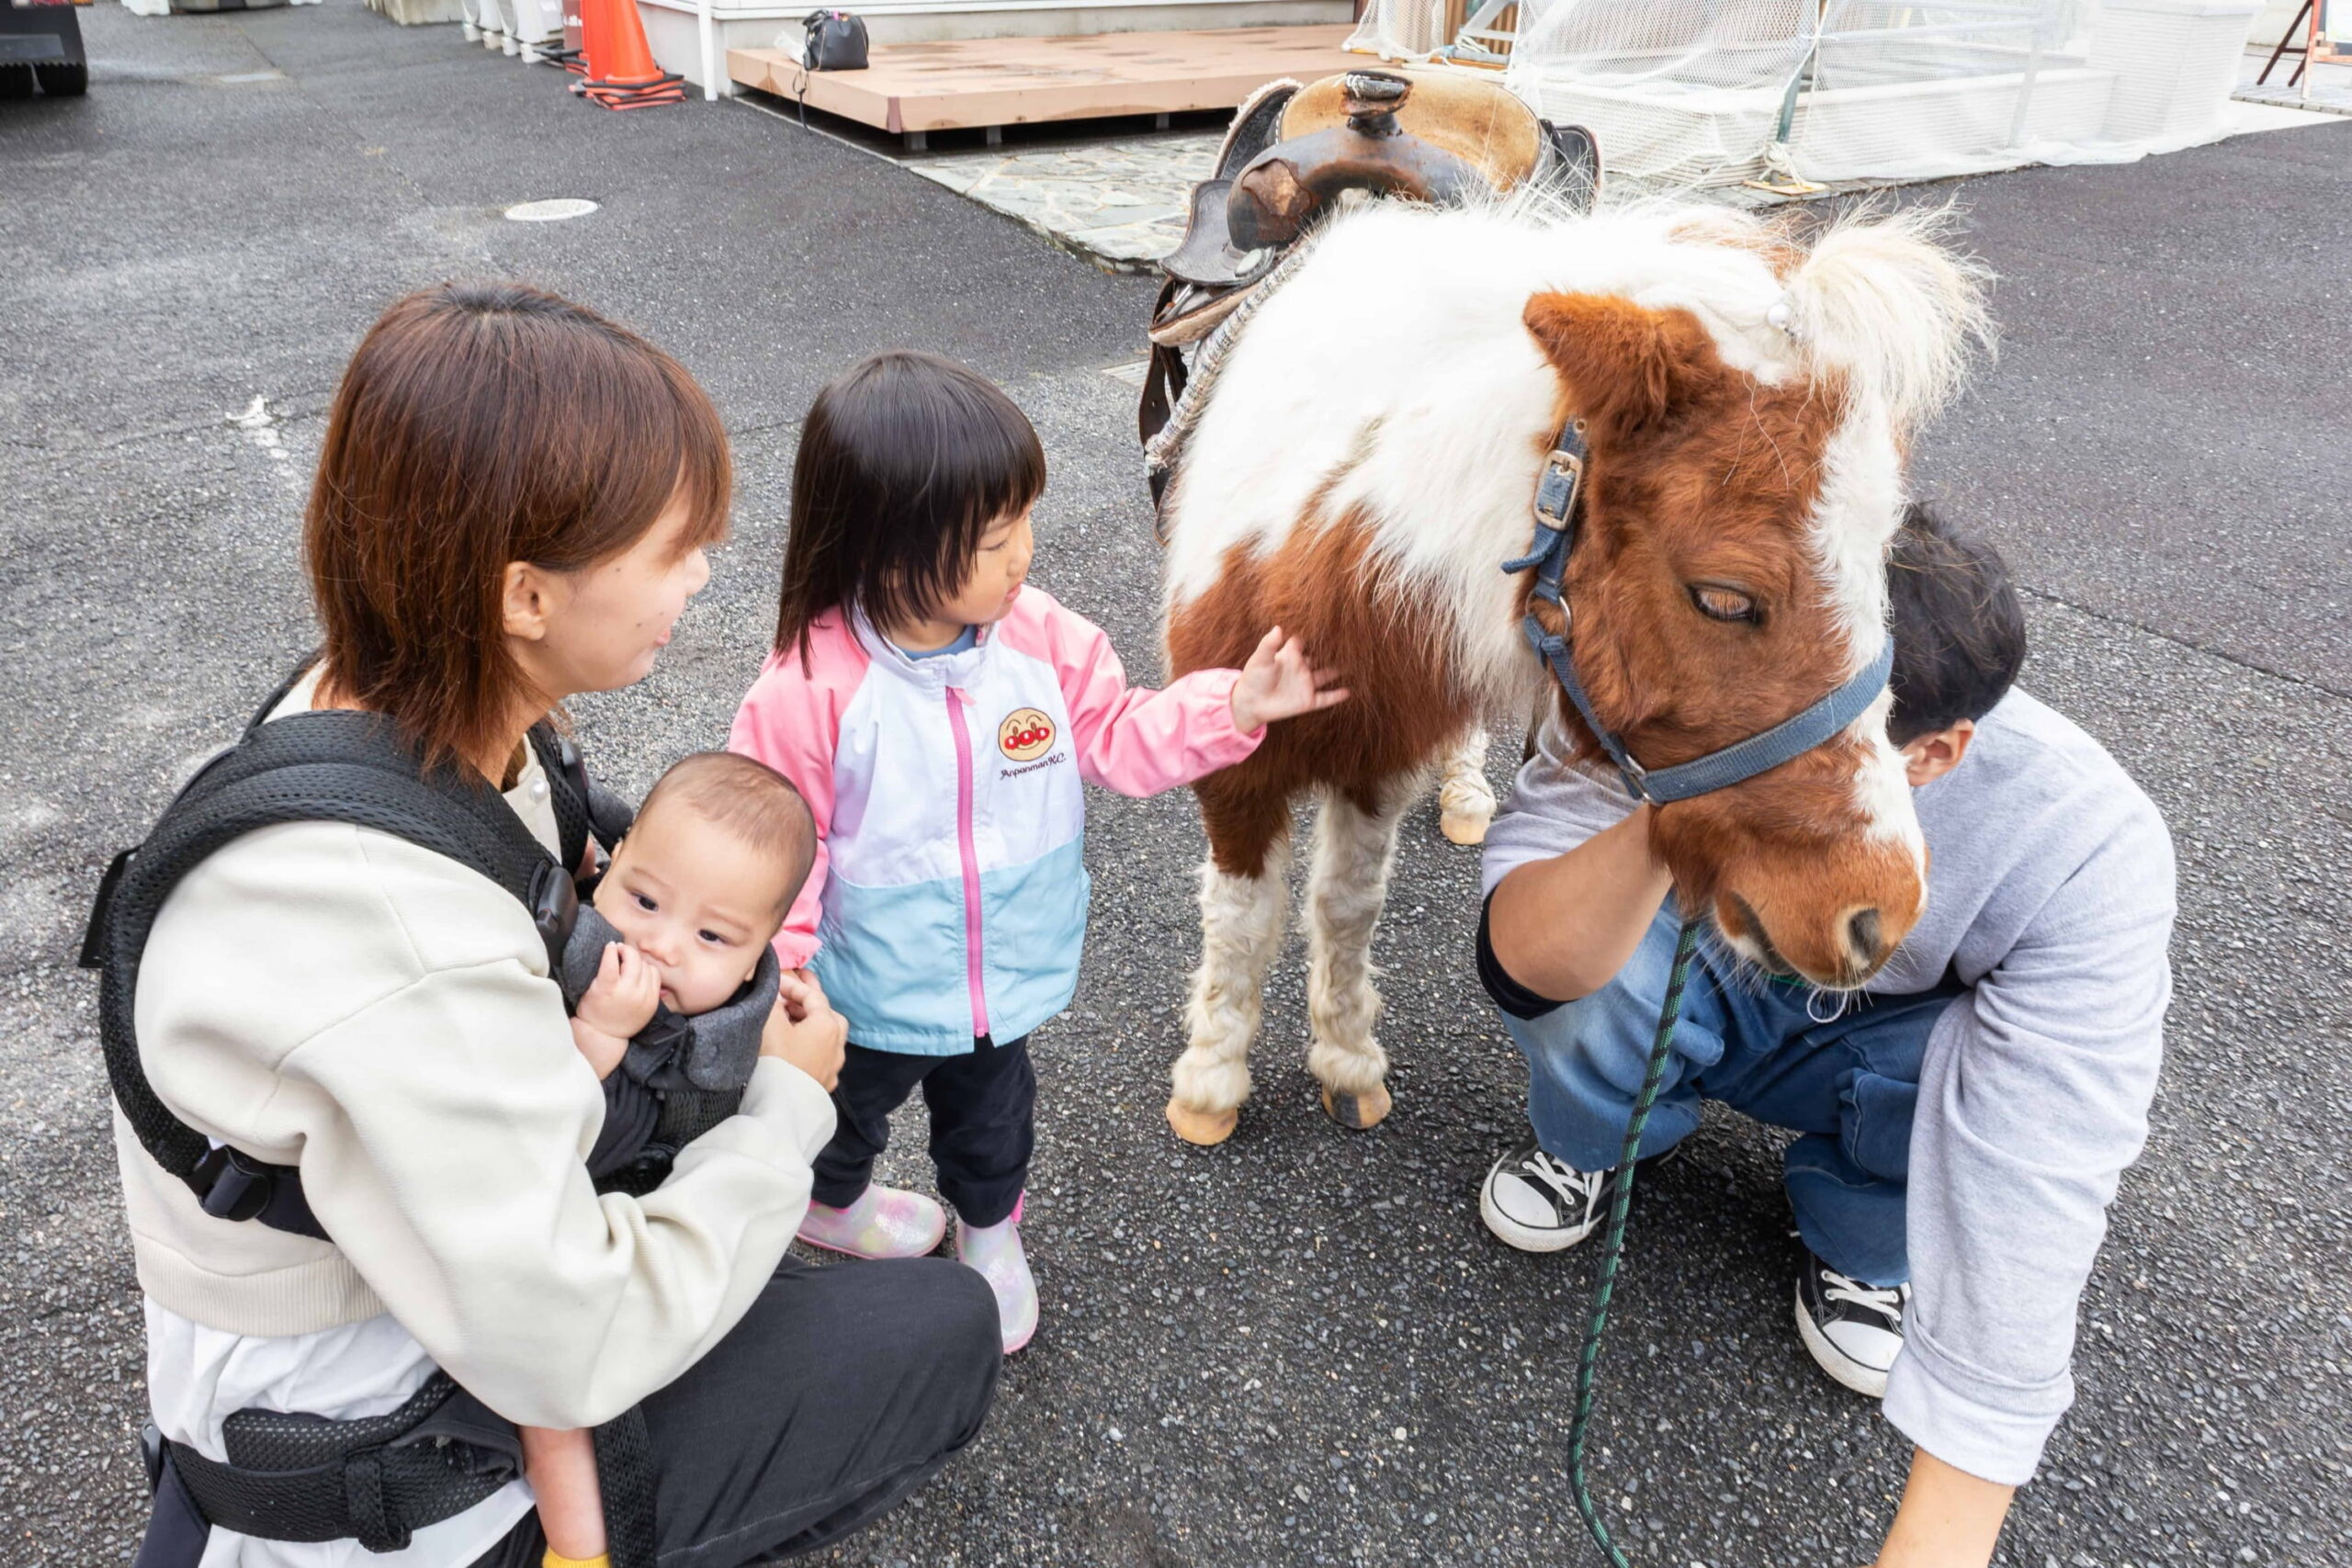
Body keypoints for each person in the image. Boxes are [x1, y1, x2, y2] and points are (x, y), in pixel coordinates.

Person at [119, 285, 1001, 1568]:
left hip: (368, 1301)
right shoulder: (386, 928)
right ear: (526, 594)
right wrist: (786, 1115)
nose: (702, 574)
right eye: (675, 544)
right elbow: (571, 1337)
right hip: (369, 1456)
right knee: (939, 1325)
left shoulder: (382, 714)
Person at [1473, 504, 2175, 1567]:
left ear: (1934, 754)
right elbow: (1522, 957)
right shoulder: (1681, 686)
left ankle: (1860, 1240)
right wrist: (1682, 796)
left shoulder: (2084, 841)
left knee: (1968, 1067)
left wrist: (1943, 1535)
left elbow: (2040, 1155)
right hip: (1703, 963)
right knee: (1589, 972)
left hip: (1871, 1040)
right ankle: (1596, 1141)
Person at [729, 350, 1347, 1353]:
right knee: (841, 1114)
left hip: (1001, 976)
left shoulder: (1042, 639)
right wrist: (786, 966)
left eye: (1023, 519)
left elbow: (1119, 738)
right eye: (990, 536)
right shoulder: (811, 685)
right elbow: (772, 836)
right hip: (864, 984)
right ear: (886, 552)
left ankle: (988, 1237)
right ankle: (830, 1203)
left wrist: (1231, 706)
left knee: (993, 1125)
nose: (1022, 554)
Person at [524, 750, 824, 1568]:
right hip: (552, 1245)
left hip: (667, 1227)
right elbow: (531, 1121)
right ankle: (576, 1549)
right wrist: (598, 1035)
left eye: (712, 934)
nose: (658, 942)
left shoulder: (736, 1010)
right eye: (644, 898)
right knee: (551, 1407)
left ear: (761, 951)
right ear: (607, 867)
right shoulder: (570, 972)